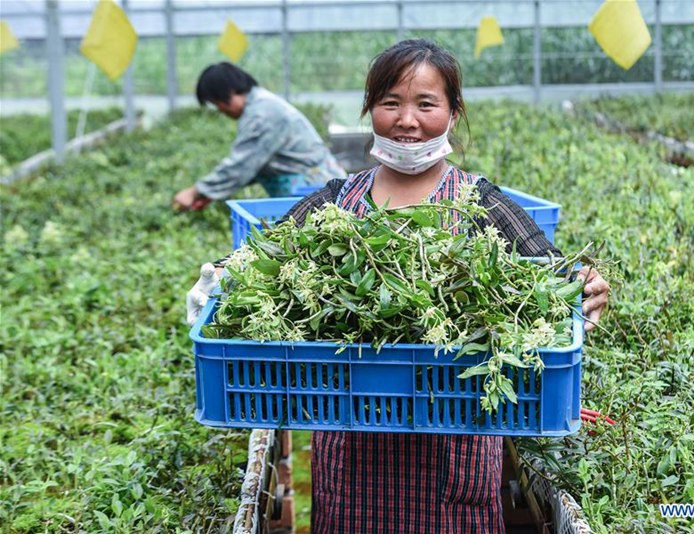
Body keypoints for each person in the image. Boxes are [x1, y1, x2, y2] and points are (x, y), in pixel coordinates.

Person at [187, 40, 609, 532]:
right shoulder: (339, 201)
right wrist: (218, 277)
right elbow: (266, 252)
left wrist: (584, 283)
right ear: (371, 109)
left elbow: (550, 267)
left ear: (453, 113)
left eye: (426, 104)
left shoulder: (478, 201)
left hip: (454, 447)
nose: (407, 120)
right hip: (352, 445)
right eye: (390, 103)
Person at [173, 62, 345, 211]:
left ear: (227, 93)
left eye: (216, 103)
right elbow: (254, 166)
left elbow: (242, 165)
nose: (220, 110)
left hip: (317, 189)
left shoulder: (262, 115)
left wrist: (195, 191)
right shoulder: (259, 106)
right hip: (309, 188)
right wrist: (211, 193)